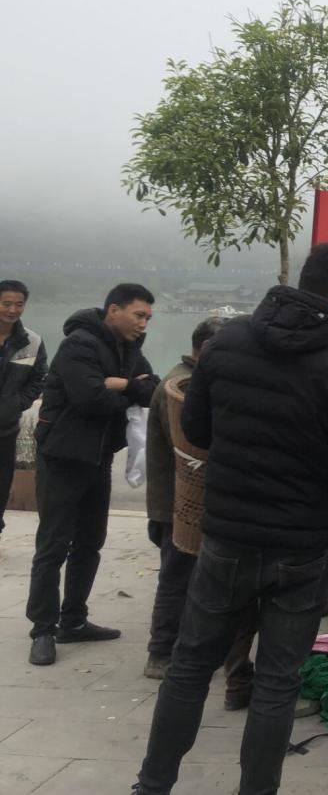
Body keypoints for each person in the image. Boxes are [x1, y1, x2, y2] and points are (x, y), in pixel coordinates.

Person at [132, 240, 328, 795]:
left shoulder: (228, 343)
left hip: (227, 536)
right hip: (301, 549)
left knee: (189, 668)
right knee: (278, 683)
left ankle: (152, 786)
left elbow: (199, 431)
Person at [27, 283, 157, 666]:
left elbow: (154, 390)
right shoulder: (79, 344)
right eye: (139, 315)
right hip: (63, 457)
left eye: (148, 317)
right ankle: (43, 630)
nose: (143, 323)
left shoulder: (129, 348)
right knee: (53, 547)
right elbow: (90, 399)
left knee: (89, 543)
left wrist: (124, 384)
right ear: (113, 310)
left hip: (99, 458)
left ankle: (74, 620)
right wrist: (131, 389)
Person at [142, 316, 256, 711]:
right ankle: (161, 651)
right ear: (207, 349)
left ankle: (189, 648)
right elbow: (195, 446)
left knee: (194, 580)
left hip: (187, 502)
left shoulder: (194, 380)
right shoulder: (181, 385)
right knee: (176, 578)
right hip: (177, 503)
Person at [0, 279, 48, 543]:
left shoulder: (32, 341)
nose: (12, 310)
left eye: (19, 304)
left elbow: (39, 378)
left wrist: (18, 403)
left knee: (1, 485)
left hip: (5, 427)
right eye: (6, 303)